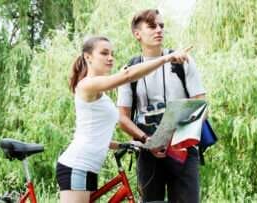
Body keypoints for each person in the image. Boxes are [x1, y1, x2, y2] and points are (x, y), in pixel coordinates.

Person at [55, 36, 192, 203]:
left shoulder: (100, 93)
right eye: (104, 53)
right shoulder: (86, 85)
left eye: (112, 54)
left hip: (87, 168)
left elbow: (94, 135)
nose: (110, 57)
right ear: (87, 57)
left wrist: (126, 144)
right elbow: (127, 76)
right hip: (77, 166)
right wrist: (166, 58)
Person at [117, 9, 207, 202]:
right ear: (137, 34)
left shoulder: (183, 60)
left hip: (183, 150)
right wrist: (148, 141)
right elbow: (122, 118)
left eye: (162, 26)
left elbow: (202, 103)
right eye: (152, 26)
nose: (159, 30)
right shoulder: (128, 70)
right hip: (147, 151)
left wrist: (177, 138)